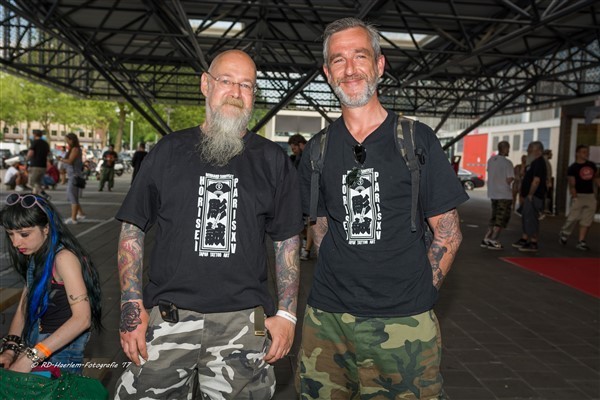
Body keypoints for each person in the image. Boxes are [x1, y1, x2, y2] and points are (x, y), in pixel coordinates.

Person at [114, 49, 303, 400]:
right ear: (206, 84)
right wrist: (131, 306)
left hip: (243, 326)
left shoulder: (273, 160)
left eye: (246, 85)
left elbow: (287, 242)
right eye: (226, 81)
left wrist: (287, 315)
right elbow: (132, 230)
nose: (236, 92)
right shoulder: (168, 150)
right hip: (167, 321)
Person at [297, 18, 468, 399]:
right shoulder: (317, 149)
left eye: (360, 56)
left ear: (379, 64)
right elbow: (320, 227)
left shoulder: (416, 140)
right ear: (327, 73)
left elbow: (448, 232)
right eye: (338, 60)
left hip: (404, 325)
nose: (350, 68)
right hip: (327, 322)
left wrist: (421, 293)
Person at [0, 193, 102, 375]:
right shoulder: (35, 255)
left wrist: (32, 357)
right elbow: (23, 308)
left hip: (60, 359)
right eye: (10, 234)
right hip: (38, 349)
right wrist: (10, 349)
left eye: (24, 234)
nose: (15, 243)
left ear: (46, 228)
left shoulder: (64, 258)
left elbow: (82, 319)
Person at [559, 145, 599, 251]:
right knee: (573, 217)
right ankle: (564, 233)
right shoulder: (573, 168)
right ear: (578, 153)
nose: (586, 154)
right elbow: (572, 184)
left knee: (587, 220)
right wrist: (574, 197)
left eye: (587, 152)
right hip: (579, 195)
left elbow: (596, 178)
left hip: (590, 195)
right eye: (584, 152)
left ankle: (581, 241)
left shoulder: (591, 165)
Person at [513, 141, 546, 252]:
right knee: (526, 217)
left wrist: (531, 194)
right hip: (529, 195)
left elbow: (536, 180)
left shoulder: (539, 163)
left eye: (530, 150)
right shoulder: (533, 163)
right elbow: (524, 176)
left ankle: (533, 242)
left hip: (534, 196)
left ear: (539, 151)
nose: (528, 152)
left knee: (531, 219)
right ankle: (525, 238)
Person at [481, 141, 514, 250]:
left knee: (494, 217)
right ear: (504, 149)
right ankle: (493, 240)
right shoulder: (507, 163)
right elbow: (509, 179)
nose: (509, 150)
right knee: (501, 219)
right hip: (504, 194)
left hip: (493, 193)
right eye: (508, 148)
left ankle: (486, 238)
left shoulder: (491, 160)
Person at [288, 134, 313, 260]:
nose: (293, 151)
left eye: (294, 148)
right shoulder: (297, 157)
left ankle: (307, 250)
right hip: (301, 193)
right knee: (301, 223)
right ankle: (307, 240)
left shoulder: (310, 154)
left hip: (310, 192)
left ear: (300, 144)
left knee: (310, 222)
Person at [59, 133, 86, 224]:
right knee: (73, 196)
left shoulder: (75, 149)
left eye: (67, 140)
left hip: (74, 176)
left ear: (71, 140)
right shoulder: (73, 149)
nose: (66, 142)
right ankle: (81, 213)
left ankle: (73, 219)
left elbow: (70, 161)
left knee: (72, 196)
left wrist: (61, 159)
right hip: (73, 176)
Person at [27, 129, 50, 195]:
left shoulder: (34, 142)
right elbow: (48, 153)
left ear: (34, 134)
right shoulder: (46, 143)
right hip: (43, 165)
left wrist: (27, 160)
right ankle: (35, 195)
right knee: (37, 182)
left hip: (35, 165)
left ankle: (42, 193)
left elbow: (30, 152)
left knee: (32, 182)